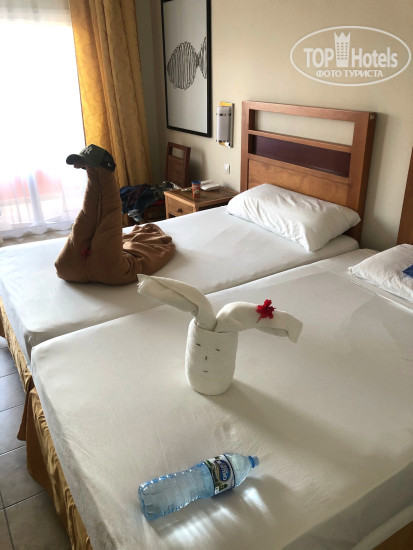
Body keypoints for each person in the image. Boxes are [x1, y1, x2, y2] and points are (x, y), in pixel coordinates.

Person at [55, 145, 175, 285]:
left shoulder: (113, 270)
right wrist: (90, 169)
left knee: (108, 216)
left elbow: (111, 210)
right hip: (102, 267)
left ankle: (98, 170)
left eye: (86, 163)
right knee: (87, 216)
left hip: (111, 269)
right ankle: (93, 170)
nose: (76, 165)